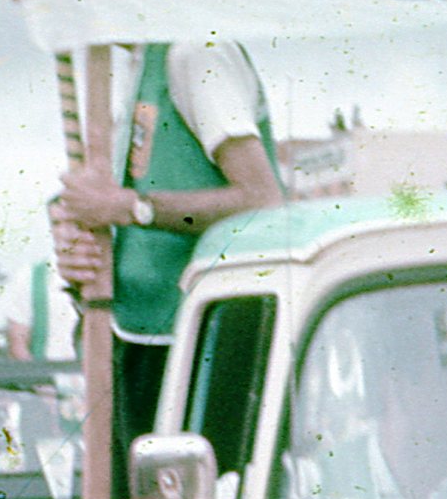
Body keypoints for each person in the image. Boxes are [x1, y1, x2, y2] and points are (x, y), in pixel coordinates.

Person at [58, 40, 285, 451]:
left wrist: (131, 208)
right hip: (140, 338)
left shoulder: (196, 52)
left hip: (204, 344)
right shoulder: (139, 67)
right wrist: (83, 256)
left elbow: (260, 199)